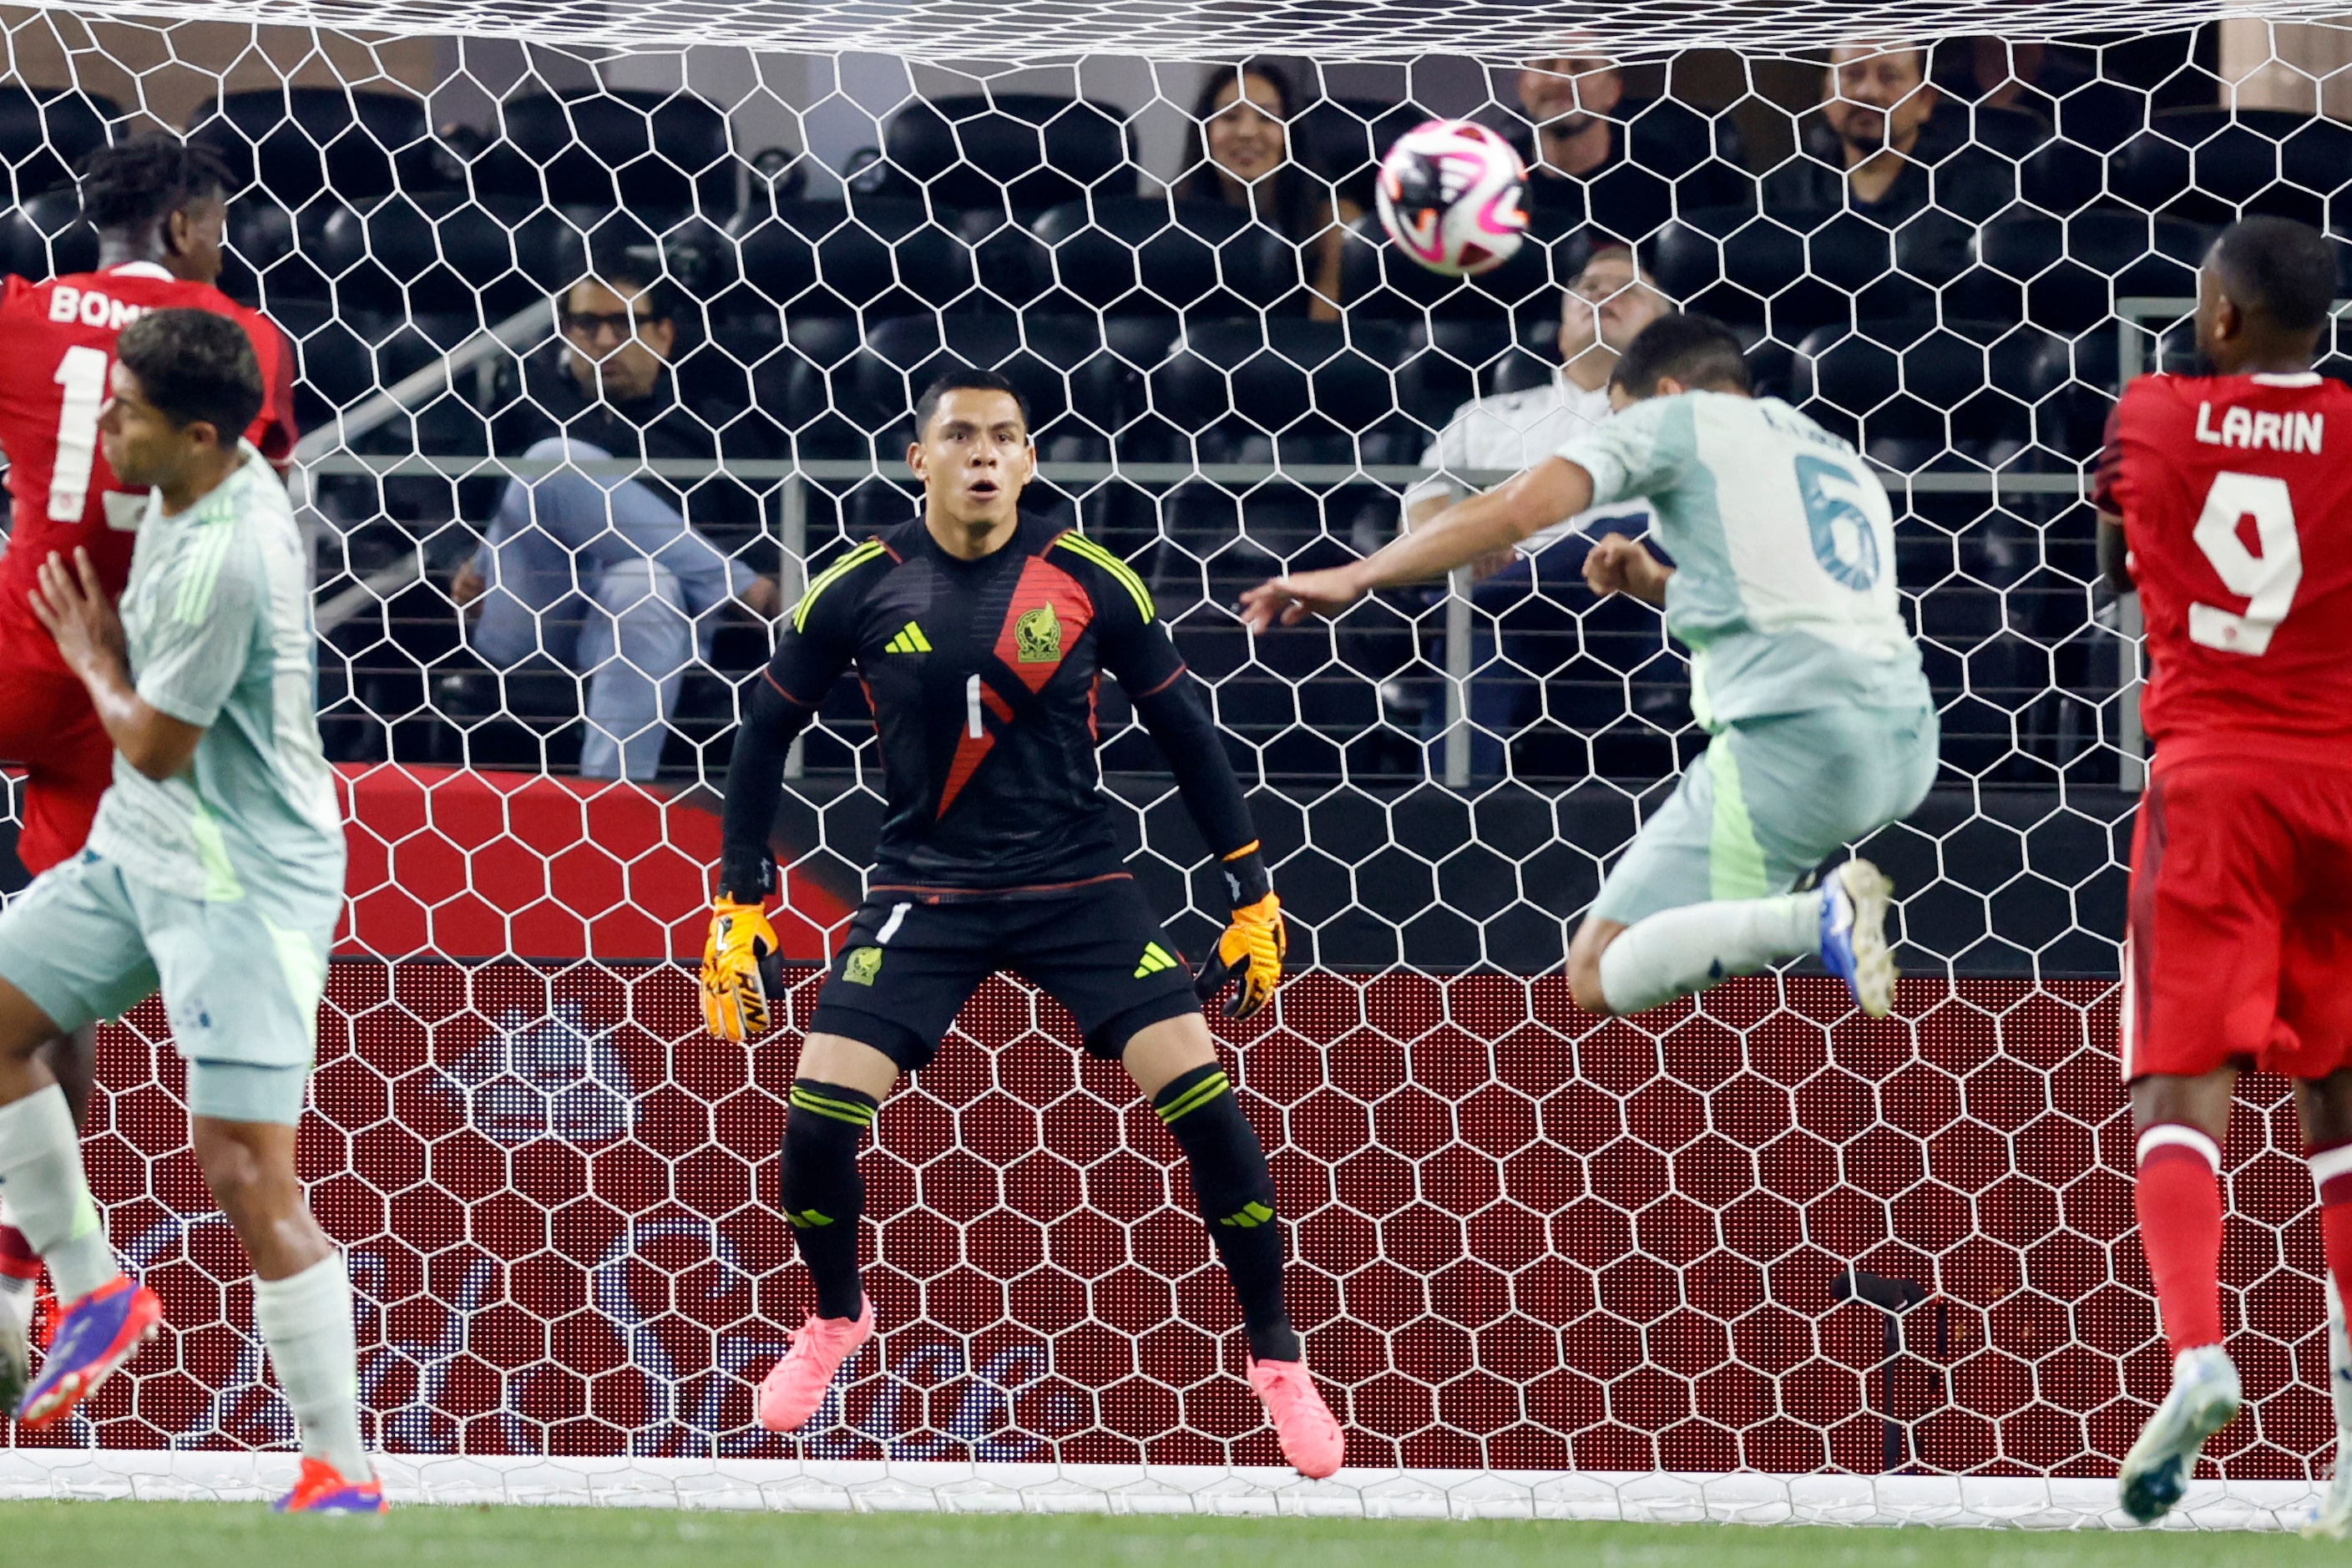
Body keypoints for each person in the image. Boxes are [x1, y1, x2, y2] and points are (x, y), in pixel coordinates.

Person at [700, 368, 1343, 1478]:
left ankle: (1277, 1356)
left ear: (1030, 460)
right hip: (920, 891)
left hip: (1079, 886)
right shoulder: (858, 584)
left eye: (1006, 436)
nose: (985, 453)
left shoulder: (1089, 577)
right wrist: (740, 898)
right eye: (961, 435)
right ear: (921, 459)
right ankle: (835, 1314)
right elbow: (761, 732)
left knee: (1204, 1102)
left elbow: (1187, 730)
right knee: (812, 1118)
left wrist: (1252, 890)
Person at [1241, 313, 1937, 1020]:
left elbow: (1515, 511)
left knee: (1597, 972)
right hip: (1903, 742)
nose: (1615, 432)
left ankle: (1817, 915)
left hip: (1797, 740)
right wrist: (1656, 586)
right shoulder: (1828, 452)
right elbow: (1796, 598)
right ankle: (1814, 919)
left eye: (1616, 418)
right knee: (1686, 940)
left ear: (1665, 391)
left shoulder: (1680, 419)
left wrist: (1358, 575)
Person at [0, 310, 378, 1511]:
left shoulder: (233, 557)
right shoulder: (189, 474)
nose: (102, 424)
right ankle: (95, 1286)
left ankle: (341, 1469)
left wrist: (90, 656)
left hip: (242, 883)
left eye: (125, 413)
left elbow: (158, 746)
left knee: (246, 1171)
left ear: (200, 437)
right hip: (140, 851)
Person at [0, 134, 299, 1413]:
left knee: (30, 989)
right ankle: (30, 1289)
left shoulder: (17, 316)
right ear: (185, 225)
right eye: (220, 224)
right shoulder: (244, 340)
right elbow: (259, 485)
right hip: (145, 684)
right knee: (59, 995)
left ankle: (58, 1275)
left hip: (28, 642)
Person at [2091, 216, 2352, 1530]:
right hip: (2347, 780)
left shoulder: (2152, 413)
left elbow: (2116, 553)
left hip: (2213, 779)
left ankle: (2198, 1351)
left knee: (2177, 1095)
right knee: (2343, 1120)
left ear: (2225, 318)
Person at [450, 262, 777, 781]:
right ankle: (740, 589)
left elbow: (764, 530)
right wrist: (458, 561)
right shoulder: (522, 414)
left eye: (625, 323)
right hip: (533, 616)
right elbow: (451, 508)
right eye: (587, 324)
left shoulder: (713, 430)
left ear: (664, 334)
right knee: (552, 461)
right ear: (565, 333)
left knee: (643, 583)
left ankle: (607, 810)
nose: (604, 340)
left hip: (666, 621)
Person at [1402, 248, 1670, 775]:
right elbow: (1421, 506)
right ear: (1561, 329)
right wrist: (1474, 545)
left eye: (1626, 288)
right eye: (1588, 285)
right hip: (1510, 615)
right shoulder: (1487, 416)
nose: (1600, 293)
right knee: (1480, 646)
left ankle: (1462, 605)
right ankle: (1453, 826)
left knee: (1627, 531)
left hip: (1635, 606)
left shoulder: (1680, 418)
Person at [1508, 48, 1753, 245]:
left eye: (1579, 67)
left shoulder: (1670, 176)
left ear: (1612, 90)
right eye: (1546, 66)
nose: (1559, 79)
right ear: (1521, 87)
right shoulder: (1497, 174)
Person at [1180, 63, 1361, 321]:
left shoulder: (1333, 222)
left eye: (1267, 118)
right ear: (1204, 131)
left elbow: (1326, 337)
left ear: (1291, 134)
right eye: (1230, 117)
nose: (1247, 133)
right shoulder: (1167, 215)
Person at [1760, 43, 2012, 226]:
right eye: (1852, 74)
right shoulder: (1784, 193)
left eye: (1889, 77)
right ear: (1826, 95)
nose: (1868, 92)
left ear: (1925, 100)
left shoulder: (1980, 194)